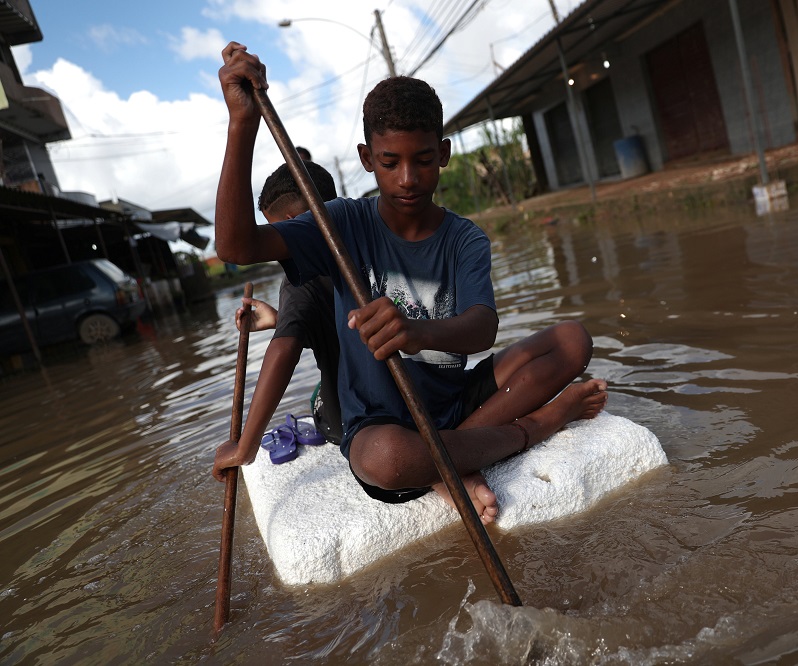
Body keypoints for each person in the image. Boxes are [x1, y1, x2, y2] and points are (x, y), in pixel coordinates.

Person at [214, 42, 607, 524]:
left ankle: (447, 459)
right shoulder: (342, 223)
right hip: (382, 424)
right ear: (365, 158)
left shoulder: (464, 237)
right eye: (389, 162)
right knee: (388, 461)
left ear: (443, 154)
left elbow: (483, 328)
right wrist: (242, 123)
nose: (407, 179)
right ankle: (537, 426)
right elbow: (236, 248)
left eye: (422, 160)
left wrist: (417, 332)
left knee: (571, 340)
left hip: (454, 400)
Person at [212, 161, 341, 480]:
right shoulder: (369, 233)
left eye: (275, 230)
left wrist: (246, 446)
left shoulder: (300, 278)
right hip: (412, 388)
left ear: (291, 224)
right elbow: (341, 325)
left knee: (317, 399)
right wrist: (281, 319)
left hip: (351, 419)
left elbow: (284, 352)